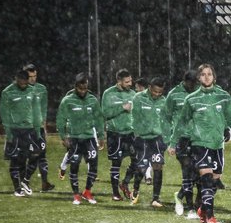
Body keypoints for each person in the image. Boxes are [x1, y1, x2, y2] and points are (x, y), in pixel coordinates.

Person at [172, 64, 231, 223]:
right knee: (206, 179)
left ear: (214, 77)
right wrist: (173, 142)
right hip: (200, 143)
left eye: (209, 74)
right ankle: (210, 216)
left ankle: (203, 208)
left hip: (217, 144)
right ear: (199, 78)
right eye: (203, 74)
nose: (206, 77)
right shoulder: (191, 99)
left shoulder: (223, 96)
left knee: (215, 180)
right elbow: (182, 122)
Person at [56, 73, 105, 204]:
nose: (83, 91)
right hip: (75, 138)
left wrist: (101, 136)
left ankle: (87, 191)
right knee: (74, 165)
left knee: (93, 166)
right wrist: (63, 136)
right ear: (76, 86)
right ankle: (76, 194)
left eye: (85, 88)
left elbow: (99, 119)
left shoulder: (92, 100)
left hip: (89, 138)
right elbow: (61, 119)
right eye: (80, 88)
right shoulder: (68, 100)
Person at [0, 70, 43, 196]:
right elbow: (4, 113)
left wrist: (38, 131)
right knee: (15, 159)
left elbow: (36, 111)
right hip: (14, 130)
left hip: (29, 129)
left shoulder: (32, 91)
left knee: (35, 154)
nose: (24, 85)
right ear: (16, 79)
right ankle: (17, 189)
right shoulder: (7, 92)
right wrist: (8, 132)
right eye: (21, 82)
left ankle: (25, 181)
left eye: (26, 83)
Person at [130, 77, 169, 208]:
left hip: (157, 138)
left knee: (158, 166)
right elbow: (134, 117)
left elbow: (167, 121)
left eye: (160, 92)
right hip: (142, 138)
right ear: (150, 87)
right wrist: (136, 134)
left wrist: (167, 137)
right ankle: (135, 190)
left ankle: (155, 198)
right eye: (155, 91)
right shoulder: (138, 98)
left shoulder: (164, 101)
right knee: (141, 168)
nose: (157, 94)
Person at [165, 69, 199, 214]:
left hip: (197, 138)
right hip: (181, 139)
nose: (192, 86)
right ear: (185, 81)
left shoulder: (200, 92)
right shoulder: (173, 95)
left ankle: (179, 196)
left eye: (194, 83)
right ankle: (191, 208)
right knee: (187, 170)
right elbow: (166, 117)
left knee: (197, 174)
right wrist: (169, 141)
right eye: (190, 83)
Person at [101, 69, 137, 201]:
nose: (130, 83)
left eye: (130, 81)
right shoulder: (108, 94)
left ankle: (125, 183)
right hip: (115, 134)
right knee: (116, 163)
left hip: (131, 133)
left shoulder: (133, 94)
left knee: (137, 161)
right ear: (119, 81)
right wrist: (122, 107)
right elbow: (104, 113)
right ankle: (115, 193)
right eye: (127, 82)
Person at [23, 63, 55, 192]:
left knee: (42, 154)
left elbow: (44, 108)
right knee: (32, 155)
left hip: (39, 128)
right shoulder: (20, 90)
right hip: (26, 128)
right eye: (30, 76)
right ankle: (24, 180)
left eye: (35, 76)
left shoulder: (42, 89)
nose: (33, 79)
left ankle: (44, 183)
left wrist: (44, 126)